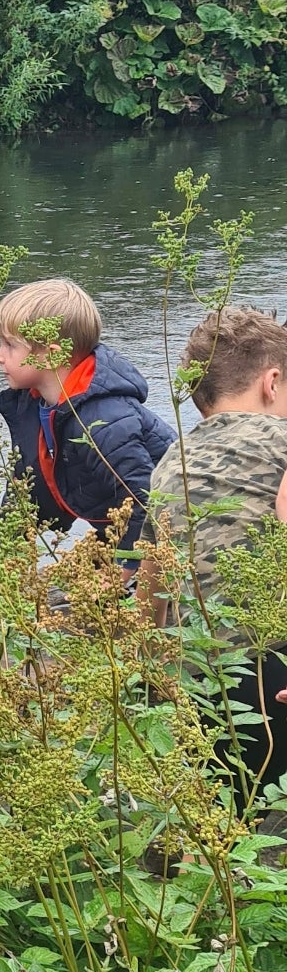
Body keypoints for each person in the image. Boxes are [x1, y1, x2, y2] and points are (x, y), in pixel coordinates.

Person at [136, 306, 287, 802]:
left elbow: (152, 586)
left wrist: (148, 683)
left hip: (200, 683)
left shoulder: (170, 461)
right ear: (272, 382)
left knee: (230, 814)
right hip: (273, 674)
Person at [0, 277, 175, 555]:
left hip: (177, 532)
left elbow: (146, 504)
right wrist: (6, 562)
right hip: (118, 529)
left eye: (9, 345)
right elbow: (25, 490)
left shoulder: (102, 421)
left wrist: (123, 572)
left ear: (51, 356)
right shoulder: (33, 404)